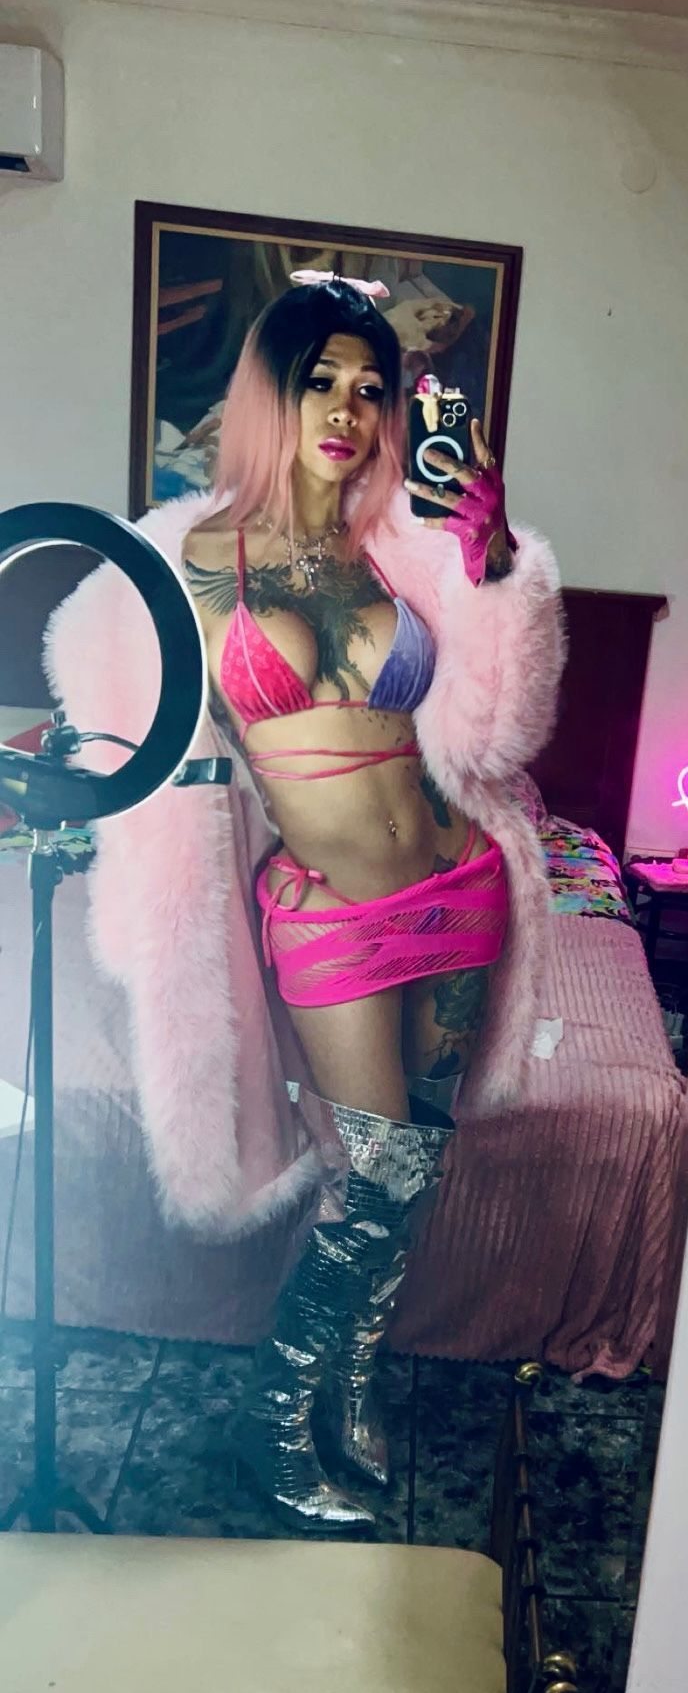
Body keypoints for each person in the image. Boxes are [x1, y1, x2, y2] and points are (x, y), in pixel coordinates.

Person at [45, 274, 565, 1535]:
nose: (346, 408)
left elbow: (498, 732)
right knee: (376, 1176)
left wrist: (496, 567)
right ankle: (277, 1417)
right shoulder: (171, 566)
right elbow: (131, 750)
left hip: (459, 883)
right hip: (329, 910)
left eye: (370, 388)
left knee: (408, 1167)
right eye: (319, 379)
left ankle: (353, 1379)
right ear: (267, 393)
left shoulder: (407, 547)